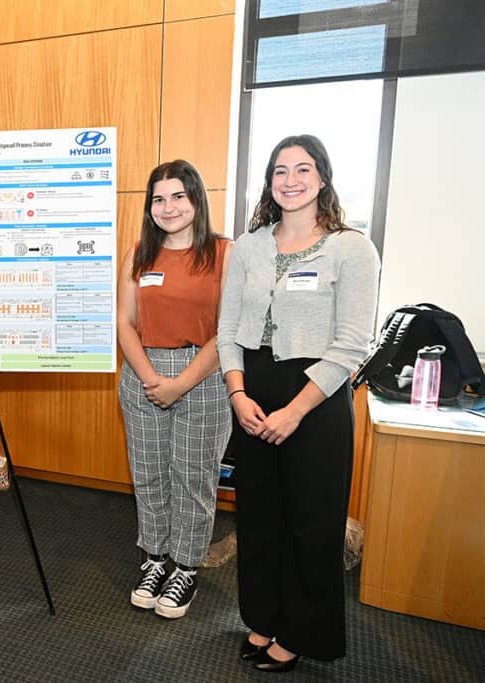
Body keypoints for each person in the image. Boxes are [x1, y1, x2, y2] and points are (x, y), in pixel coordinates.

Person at [217, 135, 380, 672]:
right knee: (260, 518)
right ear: (268, 182)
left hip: (316, 398)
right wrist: (238, 393)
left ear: (323, 178)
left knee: (311, 524)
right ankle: (263, 618)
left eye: (303, 168)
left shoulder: (351, 247)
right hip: (253, 393)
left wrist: (296, 410)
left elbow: (352, 343)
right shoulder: (249, 246)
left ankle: (300, 633)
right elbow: (226, 332)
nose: (290, 179)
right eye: (280, 170)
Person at [116, 160, 233, 619]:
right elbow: (125, 323)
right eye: (159, 199)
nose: (168, 207)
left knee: (193, 476)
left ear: (197, 199)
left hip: (201, 375)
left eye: (178, 196)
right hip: (142, 372)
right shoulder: (139, 254)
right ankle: (155, 558)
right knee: (148, 474)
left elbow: (230, 329)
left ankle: (185, 566)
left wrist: (180, 383)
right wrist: (150, 379)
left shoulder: (225, 252)